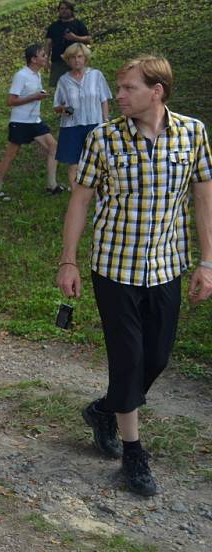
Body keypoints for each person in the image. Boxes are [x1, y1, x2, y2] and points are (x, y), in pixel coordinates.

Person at [57, 55, 212, 497]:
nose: (118, 95)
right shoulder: (104, 138)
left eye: (128, 88)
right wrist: (68, 260)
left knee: (157, 358)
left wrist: (208, 261)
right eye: (119, 88)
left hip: (167, 266)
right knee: (127, 360)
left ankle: (106, 409)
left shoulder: (192, 132)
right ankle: (134, 453)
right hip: (114, 267)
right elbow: (81, 201)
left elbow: (204, 196)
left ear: (156, 91)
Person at [0, 43, 64, 201]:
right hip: (20, 122)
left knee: (54, 147)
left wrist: (38, 95)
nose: (45, 58)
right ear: (33, 59)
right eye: (42, 55)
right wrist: (35, 97)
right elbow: (11, 101)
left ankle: (52, 185)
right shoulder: (21, 75)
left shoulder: (37, 75)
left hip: (35, 121)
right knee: (10, 155)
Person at [54, 43, 112, 188]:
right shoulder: (63, 80)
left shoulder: (96, 75)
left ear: (85, 58)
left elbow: (104, 99)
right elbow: (56, 106)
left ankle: (100, 191)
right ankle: (76, 195)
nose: (76, 60)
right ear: (68, 60)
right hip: (72, 127)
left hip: (95, 124)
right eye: (72, 57)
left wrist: (105, 121)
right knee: (74, 164)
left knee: (99, 161)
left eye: (79, 56)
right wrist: (64, 109)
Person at [45, 0, 91, 87]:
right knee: (60, 87)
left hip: (76, 60)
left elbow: (88, 39)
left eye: (66, 8)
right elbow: (48, 44)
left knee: (79, 84)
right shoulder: (53, 26)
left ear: (71, 10)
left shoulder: (78, 24)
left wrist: (75, 37)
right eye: (61, 9)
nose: (64, 11)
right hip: (58, 61)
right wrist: (46, 61)